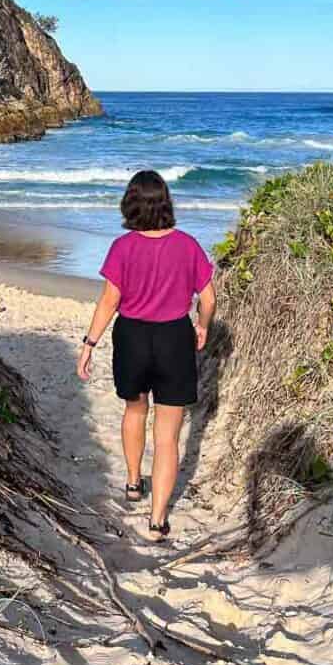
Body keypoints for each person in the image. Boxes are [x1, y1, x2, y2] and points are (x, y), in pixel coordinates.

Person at [76, 170, 216, 541]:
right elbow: (209, 299)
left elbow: (109, 301)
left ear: (131, 203)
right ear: (166, 202)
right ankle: (157, 521)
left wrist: (89, 344)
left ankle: (135, 481)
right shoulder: (187, 245)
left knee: (134, 410)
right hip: (174, 338)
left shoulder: (123, 247)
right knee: (168, 435)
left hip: (132, 337)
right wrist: (202, 325)